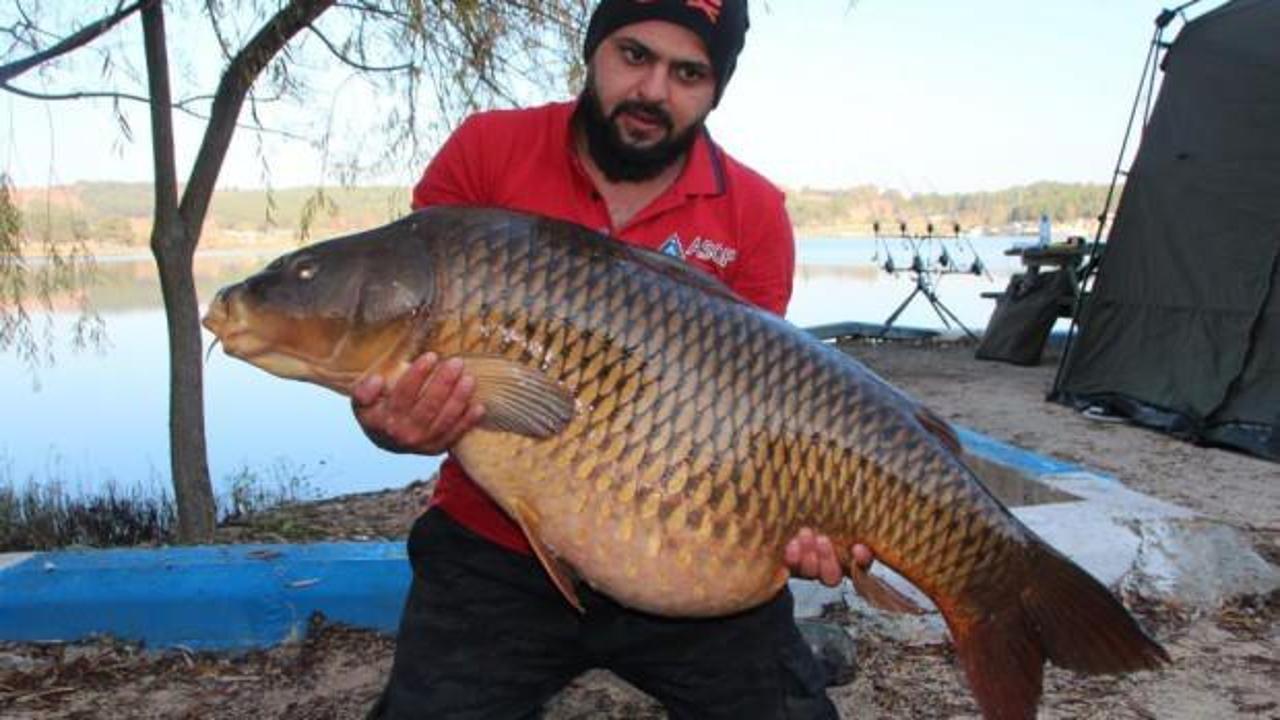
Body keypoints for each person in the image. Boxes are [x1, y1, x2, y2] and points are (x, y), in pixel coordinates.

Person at [356, 1, 873, 717]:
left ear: (716, 88)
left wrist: (804, 519)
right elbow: (400, 348)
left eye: (688, 73)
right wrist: (391, 422)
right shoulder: (488, 154)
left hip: (685, 556)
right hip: (495, 545)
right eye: (634, 55)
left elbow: (757, 424)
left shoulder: (753, 214)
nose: (653, 91)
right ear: (594, 49)